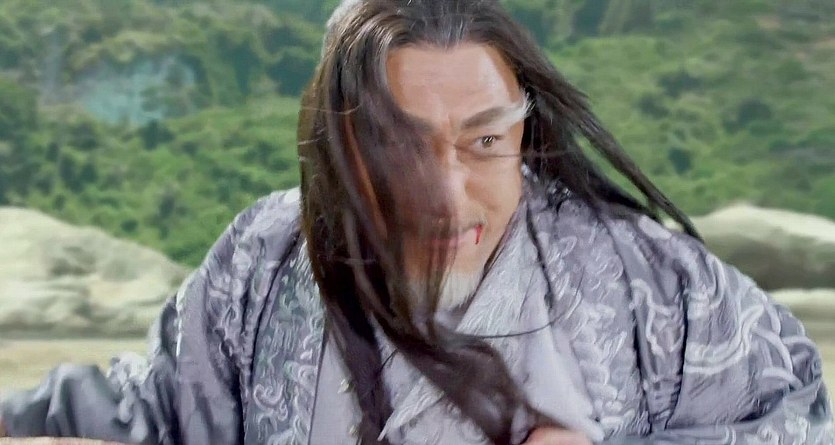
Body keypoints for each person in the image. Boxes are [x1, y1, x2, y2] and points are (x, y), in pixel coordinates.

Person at [1, 0, 832, 444]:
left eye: (483, 141)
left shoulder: (647, 281)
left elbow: (799, 414)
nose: (447, 195)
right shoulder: (266, 256)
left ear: (525, 135)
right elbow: (154, 406)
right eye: (400, 148)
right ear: (342, 147)